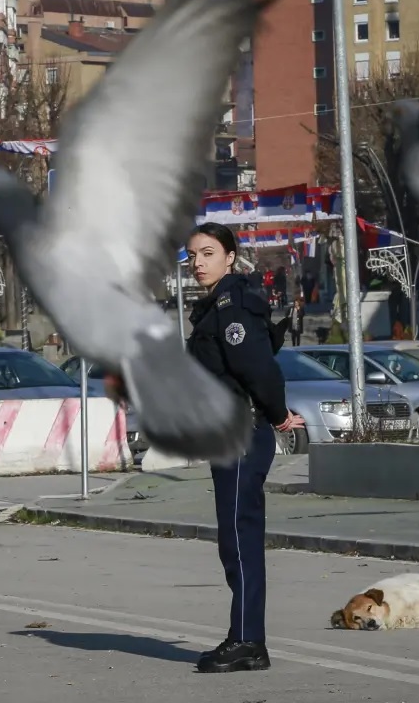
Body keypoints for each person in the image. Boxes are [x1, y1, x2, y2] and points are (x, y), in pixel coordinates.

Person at [109, 222, 303, 674]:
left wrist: (277, 415)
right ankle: (245, 638)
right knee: (233, 541)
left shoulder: (232, 309)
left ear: (231, 257)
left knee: (239, 539)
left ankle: (248, 641)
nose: (197, 263)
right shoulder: (216, 307)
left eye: (208, 254)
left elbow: (259, 370)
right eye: (193, 255)